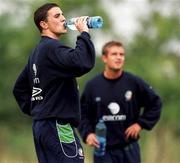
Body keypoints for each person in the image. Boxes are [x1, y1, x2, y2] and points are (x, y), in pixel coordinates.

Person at [13, 3, 96, 163]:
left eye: (63, 15)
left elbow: (19, 89)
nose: (64, 19)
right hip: (58, 125)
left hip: (42, 127)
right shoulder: (52, 48)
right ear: (43, 24)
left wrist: (40, 110)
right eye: (57, 16)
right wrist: (84, 33)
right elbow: (81, 62)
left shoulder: (38, 52)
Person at [78, 41, 162, 163]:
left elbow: (155, 103)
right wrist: (88, 134)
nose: (119, 57)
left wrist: (141, 124)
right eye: (114, 54)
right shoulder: (93, 86)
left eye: (121, 54)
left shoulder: (134, 82)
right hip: (103, 151)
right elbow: (82, 113)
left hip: (129, 150)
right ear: (104, 58)